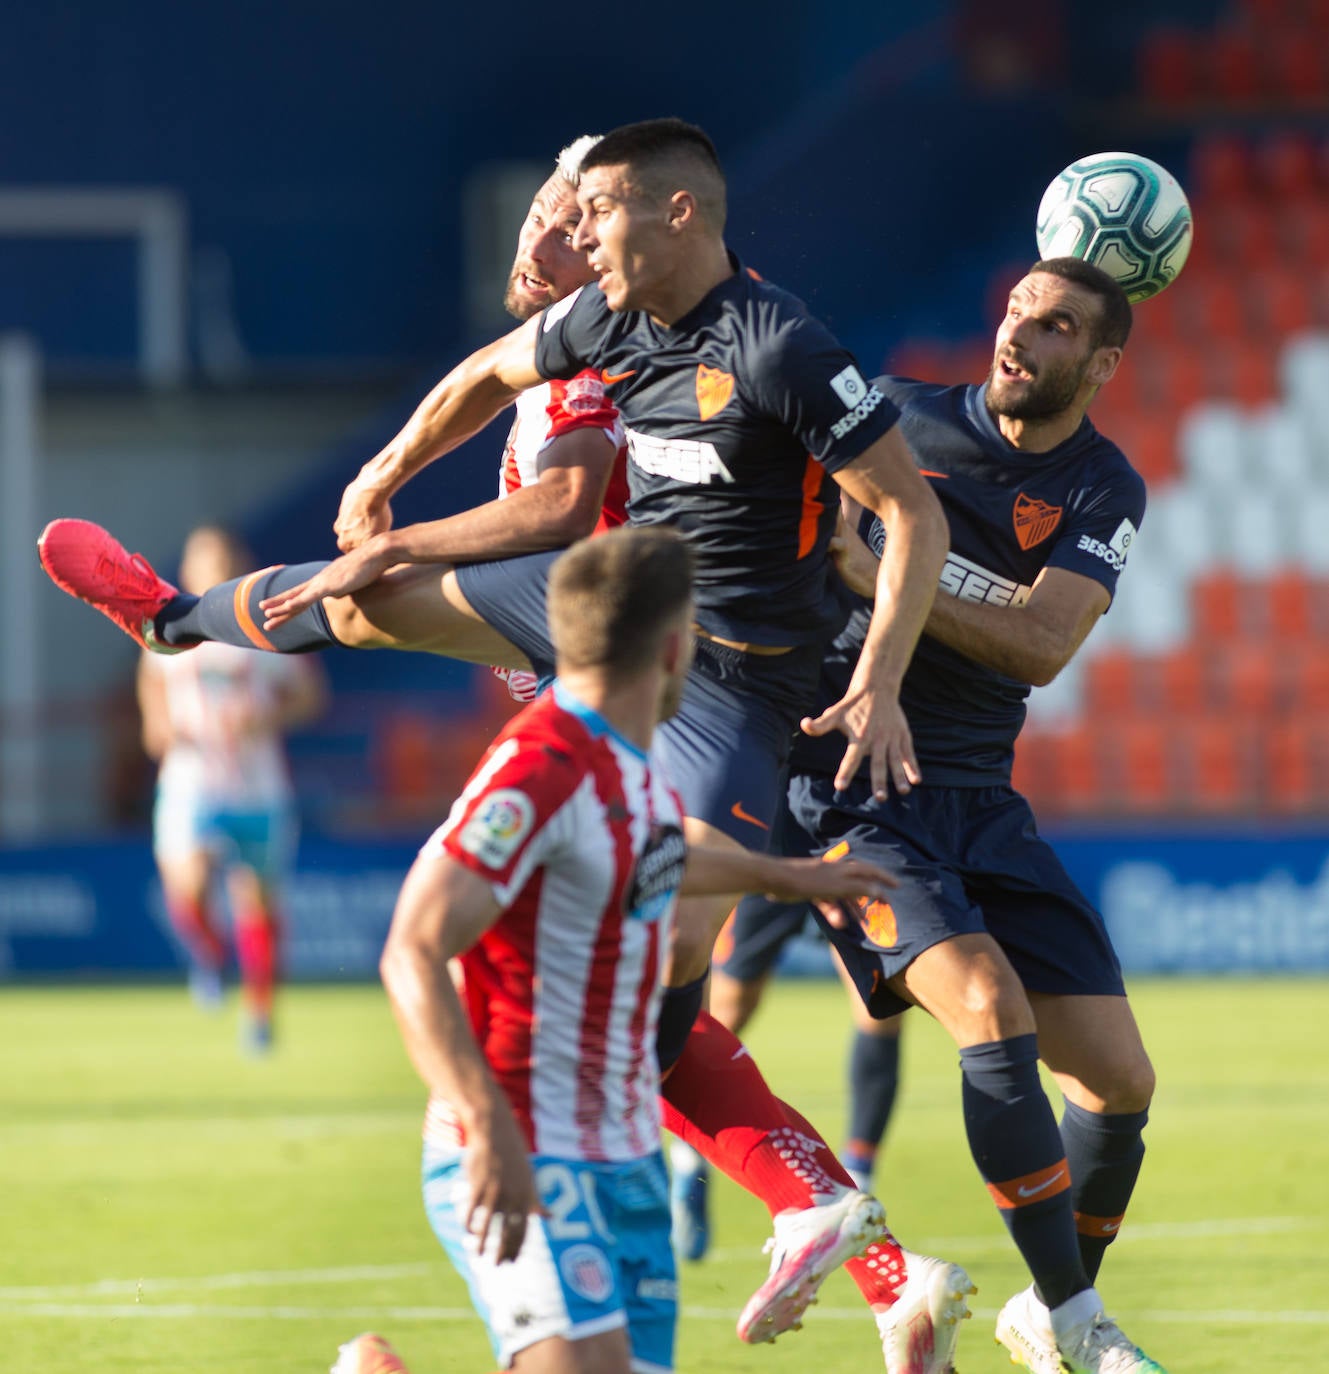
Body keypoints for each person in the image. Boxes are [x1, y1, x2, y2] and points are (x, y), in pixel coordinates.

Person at [39, 118, 970, 1372]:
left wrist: (882, 679)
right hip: (598, 606)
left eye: (589, 211)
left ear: (674, 214)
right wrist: (383, 472)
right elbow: (481, 379)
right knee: (355, 601)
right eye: (562, 209)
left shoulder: (779, 345)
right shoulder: (604, 320)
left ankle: (834, 1227)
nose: (569, 229)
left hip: (724, 674)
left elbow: (883, 511)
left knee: (654, 957)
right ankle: (169, 617)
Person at [331, 527, 902, 1374]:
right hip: (520, 1140)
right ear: (680, 646)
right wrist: (484, 1122)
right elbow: (412, 949)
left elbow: (648, 850)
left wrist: (781, 876)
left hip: (623, 1146)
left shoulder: (622, 763)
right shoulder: (540, 764)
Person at [746, 257, 1167, 1374]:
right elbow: (808, 543)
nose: (1020, 337)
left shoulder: (1102, 487)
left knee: (1121, 1082)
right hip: (852, 786)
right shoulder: (897, 418)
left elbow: (1040, 644)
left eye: (1058, 325)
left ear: (1102, 362)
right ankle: (1078, 1322)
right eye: (1017, 312)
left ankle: (1041, 1308)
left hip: (983, 795)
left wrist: (898, 568)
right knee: (984, 1004)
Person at [668, 841, 907, 1261]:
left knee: (878, 1007)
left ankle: (856, 1185)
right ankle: (690, 1161)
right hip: (774, 854)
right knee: (729, 1010)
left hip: (843, 846)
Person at [136, 524, 326, 1051]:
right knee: (189, 884)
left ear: (237, 564)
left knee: (259, 903)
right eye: (203, 559)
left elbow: (309, 695)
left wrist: (267, 715)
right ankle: (211, 954)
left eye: (222, 558)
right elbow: (151, 681)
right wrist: (158, 724)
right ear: (190, 569)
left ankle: (260, 1013)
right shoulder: (169, 626)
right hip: (192, 780)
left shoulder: (265, 629)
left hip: (258, 789)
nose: (213, 568)